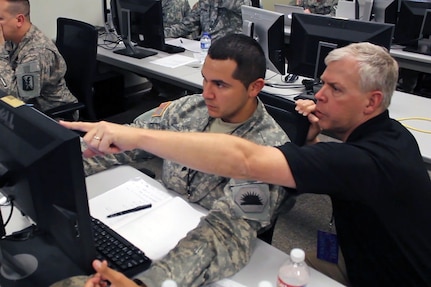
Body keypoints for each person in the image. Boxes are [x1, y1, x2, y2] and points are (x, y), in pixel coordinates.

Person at [61, 42, 431, 286]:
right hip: (358, 257)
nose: (317, 95)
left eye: (335, 89)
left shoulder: (364, 160)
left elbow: (244, 162)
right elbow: (113, 147)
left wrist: (151, 283)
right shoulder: (385, 136)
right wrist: (55, 169)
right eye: (322, 84)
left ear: (372, 103)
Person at [53, 33, 291, 287]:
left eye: (220, 85)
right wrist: (55, 166)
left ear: (255, 87)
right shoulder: (190, 108)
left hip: (200, 257)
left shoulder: (271, 152)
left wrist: (149, 283)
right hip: (154, 222)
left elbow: (227, 233)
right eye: (205, 79)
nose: (207, 93)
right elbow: (126, 141)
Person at [0, 0, 78, 116]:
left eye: (0, 18)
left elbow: (17, 99)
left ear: (19, 20)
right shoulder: (12, 39)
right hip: (27, 113)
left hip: (53, 119)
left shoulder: (38, 52)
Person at [164, 0, 251, 41]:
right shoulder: (204, 2)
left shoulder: (240, 2)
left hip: (229, 52)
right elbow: (187, 25)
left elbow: (245, 8)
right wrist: (160, 33)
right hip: (203, 50)